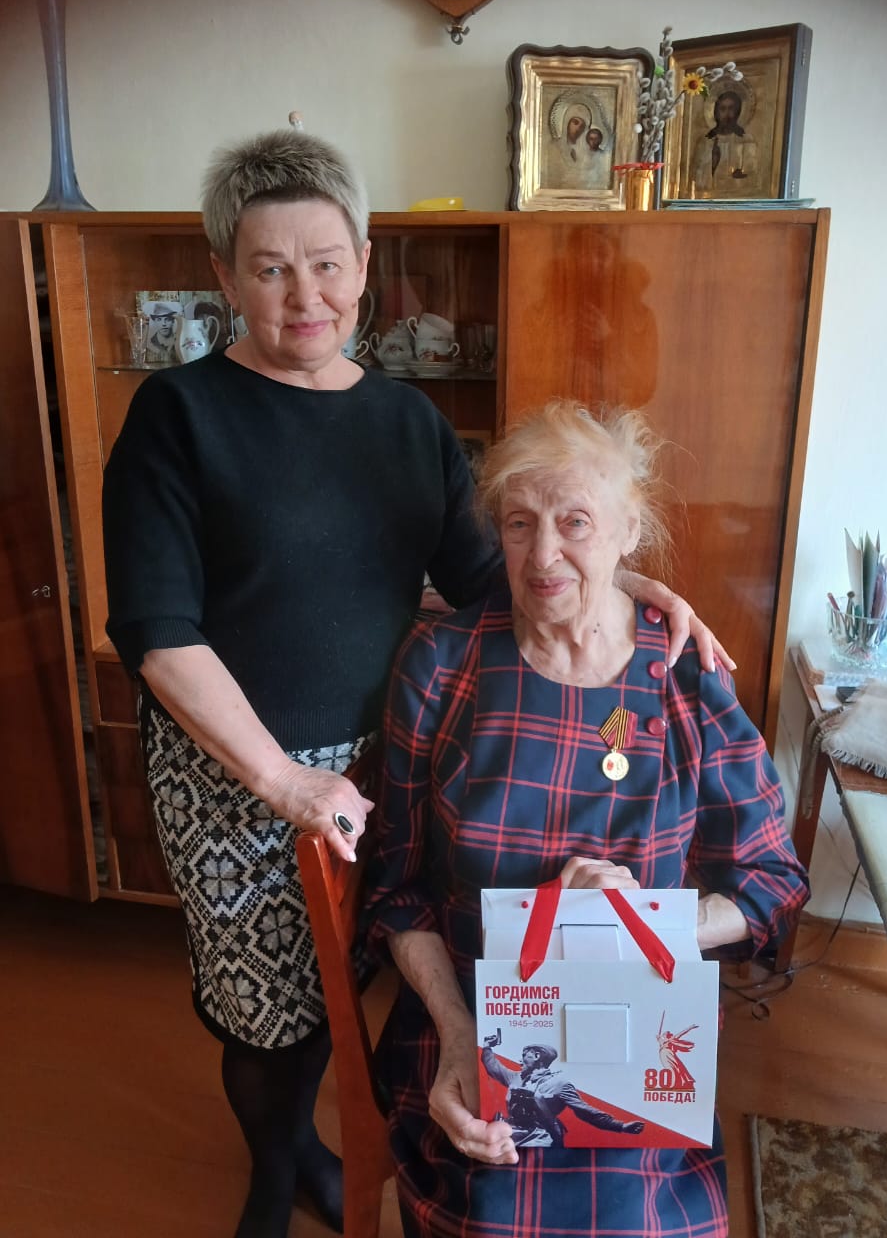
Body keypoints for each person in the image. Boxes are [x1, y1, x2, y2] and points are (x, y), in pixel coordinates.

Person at [101, 131, 727, 1238]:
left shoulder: (405, 421)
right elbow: (157, 633)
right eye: (271, 268)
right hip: (239, 777)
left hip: (388, 761)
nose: (306, 295)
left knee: (359, 995)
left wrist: (623, 578)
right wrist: (286, 781)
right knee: (269, 1019)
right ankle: (281, 1160)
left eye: (326, 263)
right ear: (226, 277)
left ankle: (344, 1130)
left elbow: (491, 574)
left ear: (364, 262)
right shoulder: (178, 414)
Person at [364, 399, 810, 1238]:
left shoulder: (684, 677)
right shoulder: (443, 667)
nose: (543, 555)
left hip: (638, 1034)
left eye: (574, 522)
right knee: (492, 1212)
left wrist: (641, 922)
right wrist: (457, 1036)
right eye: (519, 523)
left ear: (628, 530)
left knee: (636, 1220)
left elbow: (773, 885)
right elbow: (396, 891)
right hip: (474, 1021)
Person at [481, 1039, 645, 1148]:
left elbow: (586, 1112)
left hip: (539, 1138)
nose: (520, 1059)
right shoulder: (516, 1078)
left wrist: (620, 1126)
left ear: (537, 1056)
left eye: (524, 1055)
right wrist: (487, 1047)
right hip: (512, 1134)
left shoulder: (559, 1084)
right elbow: (493, 1067)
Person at [692, 89, 759, 198]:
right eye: (723, 109)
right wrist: (712, 163)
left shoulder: (746, 140)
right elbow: (695, 174)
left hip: (737, 198)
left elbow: (753, 174)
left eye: (731, 108)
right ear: (716, 111)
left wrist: (742, 175)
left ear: (738, 111)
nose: (727, 114)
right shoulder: (705, 141)